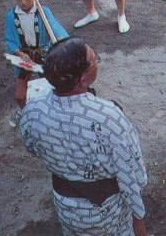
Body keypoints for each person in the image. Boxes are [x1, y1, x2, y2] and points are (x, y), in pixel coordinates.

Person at [19, 38, 149, 236]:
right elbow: (132, 173)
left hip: (65, 205)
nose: (97, 63)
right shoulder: (108, 116)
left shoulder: (33, 110)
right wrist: (138, 218)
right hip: (106, 211)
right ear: (82, 79)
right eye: (94, 61)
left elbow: (32, 147)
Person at [5, 0, 68, 128]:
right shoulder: (11, 16)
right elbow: (10, 40)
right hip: (24, 56)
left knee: (52, 87)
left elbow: (56, 30)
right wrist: (20, 54)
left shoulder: (44, 12)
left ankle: (53, 115)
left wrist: (60, 42)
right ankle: (26, 112)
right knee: (20, 95)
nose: (23, 2)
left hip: (44, 53)